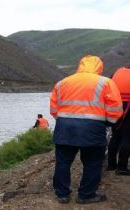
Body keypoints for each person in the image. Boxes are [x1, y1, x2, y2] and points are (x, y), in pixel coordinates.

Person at [50, 55, 123, 204]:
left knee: (63, 161)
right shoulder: (105, 82)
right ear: (99, 67)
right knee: (93, 162)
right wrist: (109, 122)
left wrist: (64, 120)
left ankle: (62, 194)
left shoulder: (62, 82)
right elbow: (115, 107)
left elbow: (53, 108)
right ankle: (86, 195)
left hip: (65, 127)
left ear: (80, 65)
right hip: (93, 128)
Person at [107, 64, 130, 175]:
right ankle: (122, 168)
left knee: (115, 135)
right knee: (127, 137)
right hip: (128, 108)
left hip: (115, 107)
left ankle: (111, 165)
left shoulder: (117, 72)